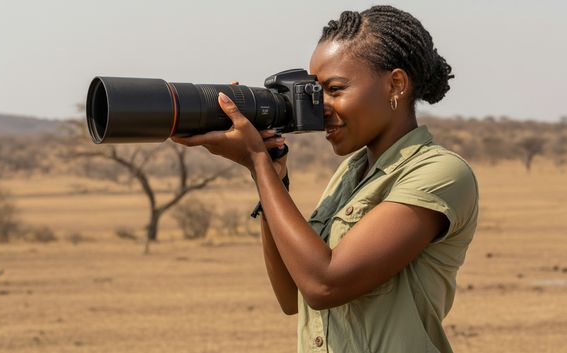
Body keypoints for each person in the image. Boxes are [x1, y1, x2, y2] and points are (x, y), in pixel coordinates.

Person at [172, 5, 478, 353]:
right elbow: (292, 295)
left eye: (334, 89)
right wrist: (271, 178)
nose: (321, 107)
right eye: (314, 93)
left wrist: (256, 159)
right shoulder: (349, 175)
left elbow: (325, 284)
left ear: (396, 84)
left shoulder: (440, 173)